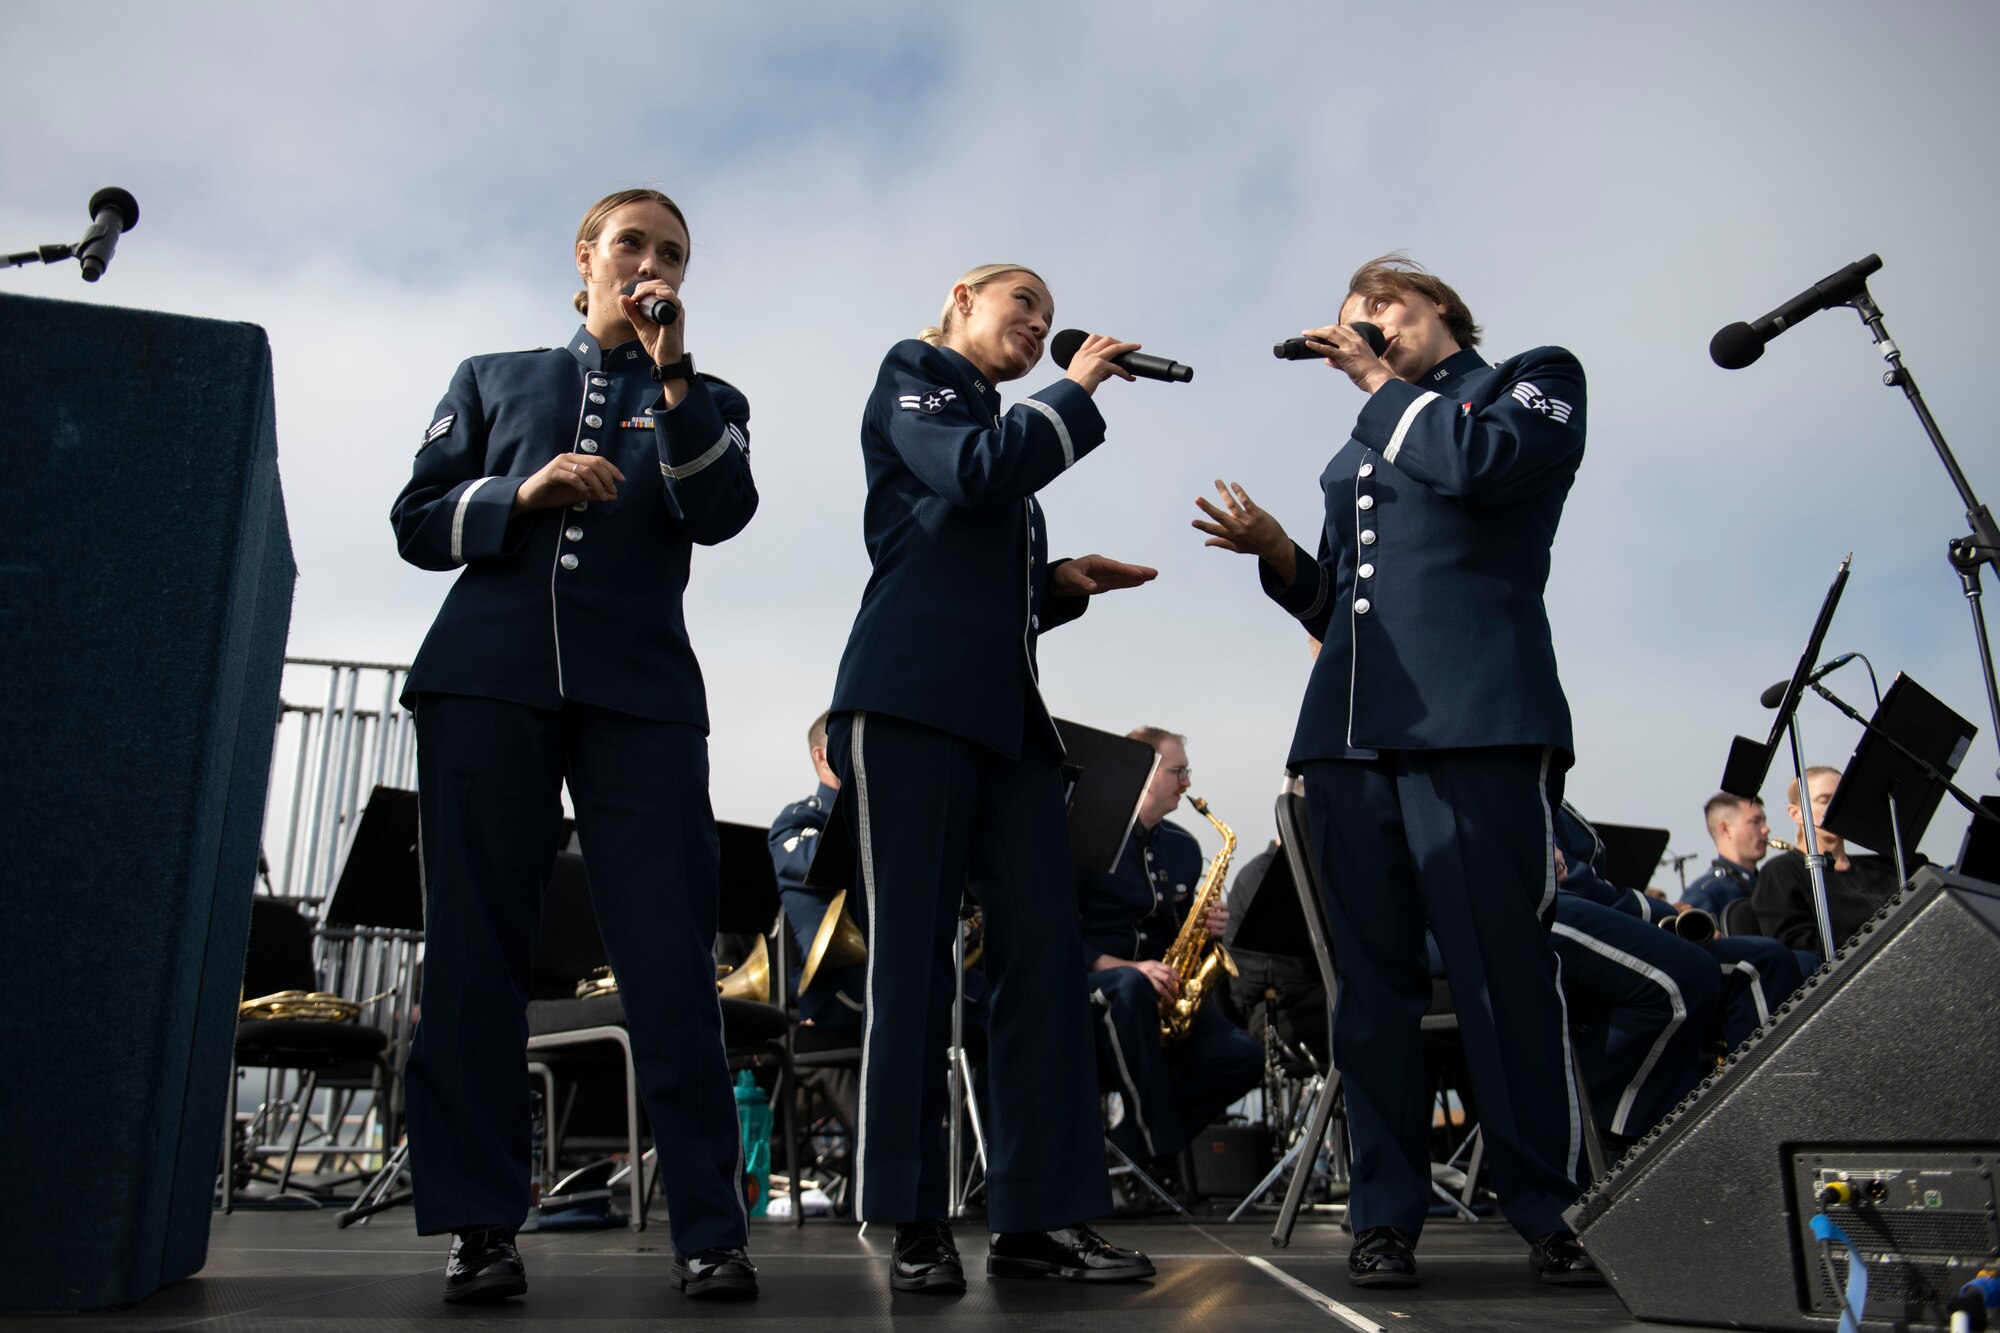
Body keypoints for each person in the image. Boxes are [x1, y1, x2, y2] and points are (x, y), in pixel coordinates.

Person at [1195, 254, 1599, 1288]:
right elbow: (1343, 610)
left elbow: (1484, 467)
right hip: (1344, 736)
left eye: (1381, 305)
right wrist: (1281, 549)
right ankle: (1383, 1213)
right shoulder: (1369, 437)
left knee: (1498, 975)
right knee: (1365, 996)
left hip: (1472, 724)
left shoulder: (1525, 381)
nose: (1362, 325)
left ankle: (1548, 1208)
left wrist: (1380, 386)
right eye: (1348, 317)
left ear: (1440, 313)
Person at [390, 188, 758, 1303]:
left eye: (674, 253)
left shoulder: (707, 392)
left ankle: (707, 1228)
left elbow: (723, 509)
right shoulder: (494, 375)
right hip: (483, 680)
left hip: (641, 697)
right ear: (586, 259)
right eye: (634, 244)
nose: (654, 263)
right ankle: (477, 1224)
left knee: (668, 957)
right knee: (472, 957)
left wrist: (676, 380)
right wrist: (521, 488)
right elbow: (416, 521)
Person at [824, 263, 1159, 1293]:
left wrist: (1056, 585)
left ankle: (1039, 1220)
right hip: (907, 704)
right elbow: (971, 474)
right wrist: (1080, 385)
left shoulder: (1005, 445)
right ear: (965, 296)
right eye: (1026, 307)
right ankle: (912, 1216)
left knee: (1044, 965)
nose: (1041, 327)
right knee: (913, 965)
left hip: (1007, 726)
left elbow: (978, 579)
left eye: (1053, 322)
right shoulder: (914, 374)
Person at [1079, 728, 1262, 1186]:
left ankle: (1129, 1145)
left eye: (1186, 772)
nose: (1186, 783)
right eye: (1177, 771)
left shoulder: (1183, 845)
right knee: (1130, 987)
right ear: (1142, 772)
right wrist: (1123, 967)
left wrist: (1204, 929)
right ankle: (1159, 1158)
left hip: (1162, 986)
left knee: (1243, 1056)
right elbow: (1058, 929)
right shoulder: (1085, 836)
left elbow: (1174, 931)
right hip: (1097, 982)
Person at [767, 710, 866, 1030]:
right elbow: (821, 860)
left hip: (878, 974)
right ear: (822, 755)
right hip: (836, 989)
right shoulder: (797, 820)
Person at [1752, 765, 1909, 959]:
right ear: (1795, 813)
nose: (1835, 808)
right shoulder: (1781, 872)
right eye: (1824, 800)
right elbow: (1794, 947)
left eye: (1841, 799)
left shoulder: (1883, 868)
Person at [1682, 793, 1770, 917]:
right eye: (1755, 822)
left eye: (1764, 821)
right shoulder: (1705, 892)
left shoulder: (1770, 886)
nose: (1766, 829)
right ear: (1725, 829)